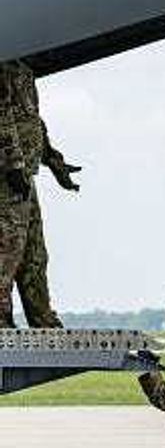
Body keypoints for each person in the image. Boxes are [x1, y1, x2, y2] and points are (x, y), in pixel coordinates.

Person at [0, 59, 81, 328]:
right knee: (8, 250)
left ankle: (42, 316)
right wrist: (13, 166)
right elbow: (1, 116)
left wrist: (55, 162)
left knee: (34, 253)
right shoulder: (5, 65)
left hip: (24, 175)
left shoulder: (23, 69)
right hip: (7, 178)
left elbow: (32, 121)